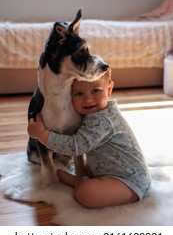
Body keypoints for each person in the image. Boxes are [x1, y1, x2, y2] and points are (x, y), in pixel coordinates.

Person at [27, 69, 151, 208]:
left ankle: (79, 183)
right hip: (108, 173)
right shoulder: (93, 115)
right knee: (90, 173)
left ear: (109, 89)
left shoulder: (103, 121)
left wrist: (42, 134)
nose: (88, 99)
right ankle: (83, 180)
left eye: (95, 91)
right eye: (79, 94)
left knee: (86, 194)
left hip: (129, 182)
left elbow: (76, 146)